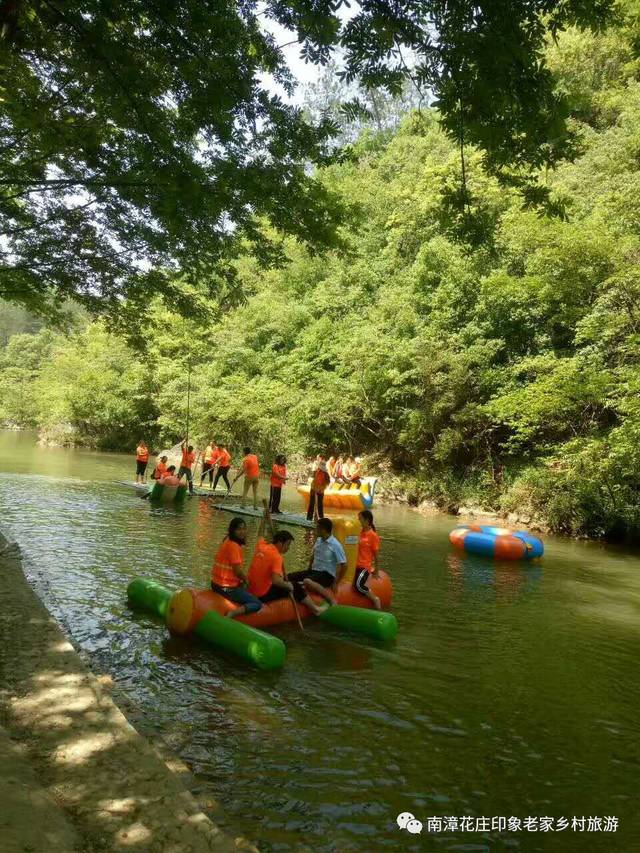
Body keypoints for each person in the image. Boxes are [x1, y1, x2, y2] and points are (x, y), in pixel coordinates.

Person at [287, 517, 346, 616]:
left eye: (317, 528)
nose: (315, 530)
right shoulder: (319, 540)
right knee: (288, 577)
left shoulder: (335, 545)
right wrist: (308, 570)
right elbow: (313, 556)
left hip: (327, 574)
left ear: (323, 530)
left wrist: (336, 582)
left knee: (307, 581)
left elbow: (344, 565)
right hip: (314, 571)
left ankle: (331, 600)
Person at [211, 517, 262, 619]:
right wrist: (246, 579)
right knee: (257, 604)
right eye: (238, 529)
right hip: (226, 588)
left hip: (215, 584)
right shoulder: (234, 546)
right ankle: (233, 613)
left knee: (244, 585)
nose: (242, 532)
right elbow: (238, 571)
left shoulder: (227, 539)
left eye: (244, 529)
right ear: (232, 530)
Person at [247, 502, 295, 603]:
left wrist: (263, 519)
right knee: (295, 587)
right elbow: (276, 581)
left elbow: (260, 533)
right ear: (280, 543)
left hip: (249, 589)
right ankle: (314, 608)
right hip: (261, 594)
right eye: (288, 545)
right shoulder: (277, 557)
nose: (288, 548)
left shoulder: (262, 545)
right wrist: (288, 585)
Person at [354, 510, 381, 610]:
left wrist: (377, 570)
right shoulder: (359, 532)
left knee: (358, 585)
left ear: (367, 520)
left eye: (360, 518)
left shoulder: (373, 536)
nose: (358, 521)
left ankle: (375, 599)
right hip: (354, 565)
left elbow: (376, 555)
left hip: (364, 567)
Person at [306, 457, 330, 521]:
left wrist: (321, 489)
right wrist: (316, 488)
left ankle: (319, 517)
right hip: (314, 488)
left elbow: (327, 483)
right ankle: (310, 517)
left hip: (320, 490)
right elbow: (314, 481)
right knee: (312, 503)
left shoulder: (325, 474)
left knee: (319, 504)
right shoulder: (317, 472)